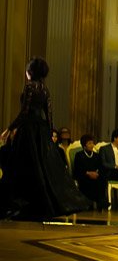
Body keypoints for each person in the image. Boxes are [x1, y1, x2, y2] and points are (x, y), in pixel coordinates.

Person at [0, 57, 90, 219]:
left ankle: (19, 204)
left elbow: (25, 112)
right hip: (40, 131)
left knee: (21, 167)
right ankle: (38, 205)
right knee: (40, 168)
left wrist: (10, 128)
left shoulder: (30, 86)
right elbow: (49, 115)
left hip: (28, 131)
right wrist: (48, 135)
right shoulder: (45, 89)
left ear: (31, 72)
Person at [73, 133, 108, 209]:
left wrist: (96, 173)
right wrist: (88, 173)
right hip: (84, 175)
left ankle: (101, 202)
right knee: (87, 180)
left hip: (95, 176)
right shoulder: (79, 155)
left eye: (92, 143)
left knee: (102, 179)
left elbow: (101, 167)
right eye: (89, 143)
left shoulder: (96, 155)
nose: (92, 145)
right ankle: (89, 203)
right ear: (84, 146)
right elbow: (77, 169)